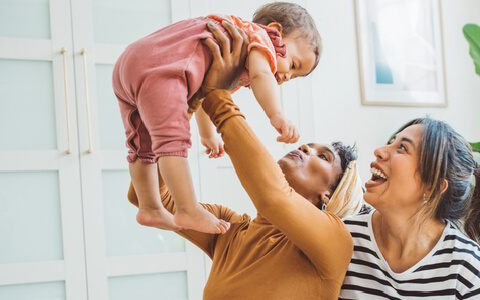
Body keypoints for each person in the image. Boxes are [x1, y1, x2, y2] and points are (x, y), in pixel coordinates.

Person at [127, 21, 365, 299]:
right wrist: (190, 99)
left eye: (323, 156)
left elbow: (273, 196)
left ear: (329, 194)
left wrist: (215, 93)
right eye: (309, 145)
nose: (305, 148)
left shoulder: (335, 241)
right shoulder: (229, 229)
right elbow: (149, 198)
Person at [113, 2, 323, 233]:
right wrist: (277, 115)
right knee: (172, 142)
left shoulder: (230, 46)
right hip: (163, 70)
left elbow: (204, 93)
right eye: (293, 64)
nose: (285, 76)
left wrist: (207, 133)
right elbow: (263, 74)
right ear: (276, 32)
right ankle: (188, 208)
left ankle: (150, 208)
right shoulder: (260, 37)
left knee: (142, 146)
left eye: (293, 76)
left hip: (129, 64)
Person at [339, 119, 480, 299]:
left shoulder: (466, 267)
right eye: (391, 142)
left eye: (402, 148)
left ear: (433, 187)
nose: (379, 151)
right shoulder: (343, 238)